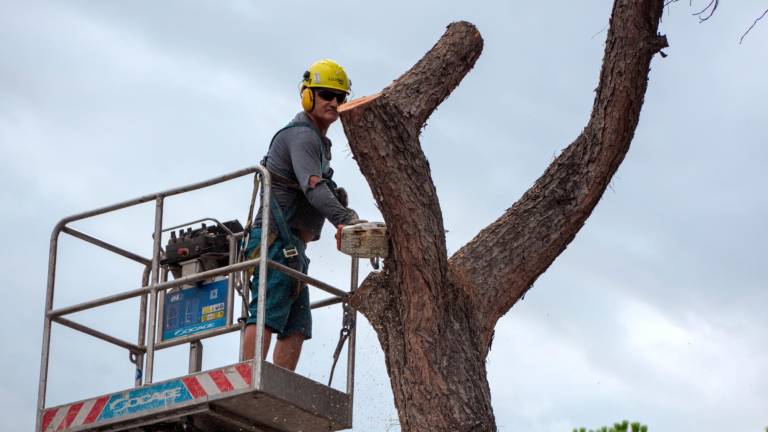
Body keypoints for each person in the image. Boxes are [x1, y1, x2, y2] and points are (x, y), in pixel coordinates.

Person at [242, 59, 361, 371]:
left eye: (340, 97)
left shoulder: (319, 143)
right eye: (326, 94)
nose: (334, 102)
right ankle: (248, 378)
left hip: (293, 247)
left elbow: (322, 188)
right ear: (308, 95)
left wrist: (341, 208)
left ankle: (277, 389)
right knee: (268, 311)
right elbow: (313, 187)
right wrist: (346, 220)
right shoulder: (302, 136)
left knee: (297, 324)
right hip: (276, 241)